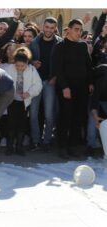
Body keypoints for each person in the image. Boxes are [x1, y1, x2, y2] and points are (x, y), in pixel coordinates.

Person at [52, 19, 93, 159]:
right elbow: (58, 68)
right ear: (68, 29)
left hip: (81, 88)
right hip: (66, 88)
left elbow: (88, 65)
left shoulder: (82, 46)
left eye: (80, 30)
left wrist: (90, 82)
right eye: (76, 29)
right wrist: (64, 87)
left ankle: (73, 146)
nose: (79, 32)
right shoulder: (60, 46)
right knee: (65, 117)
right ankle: (62, 147)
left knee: (77, 118)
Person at [29, 17, 63, 152]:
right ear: (43, 27)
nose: (49, 30)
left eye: (52, 28)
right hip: (36, 81)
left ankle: (47, 141)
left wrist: (56, 77)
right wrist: (33, 63)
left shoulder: (60, 43)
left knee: (49, 114)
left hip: (50, 82)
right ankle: (36, 141)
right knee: (33, 113)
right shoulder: (34, 42)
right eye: (47, 27)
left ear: (55, 28)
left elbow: (62, 64)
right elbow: (27, 59)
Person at [3, 47, 42, 156]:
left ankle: (19, 146)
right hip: (12, 101)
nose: (20, 68)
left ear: (27, 63)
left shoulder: (32, 70)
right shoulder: (9, 69)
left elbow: (38, 85)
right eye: (17, 66)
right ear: (14, 63)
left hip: (24, 102)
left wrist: (29, 93)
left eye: (22, 66)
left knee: (21, 124)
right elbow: (2, 82)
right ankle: (9, 146)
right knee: (11, 123)